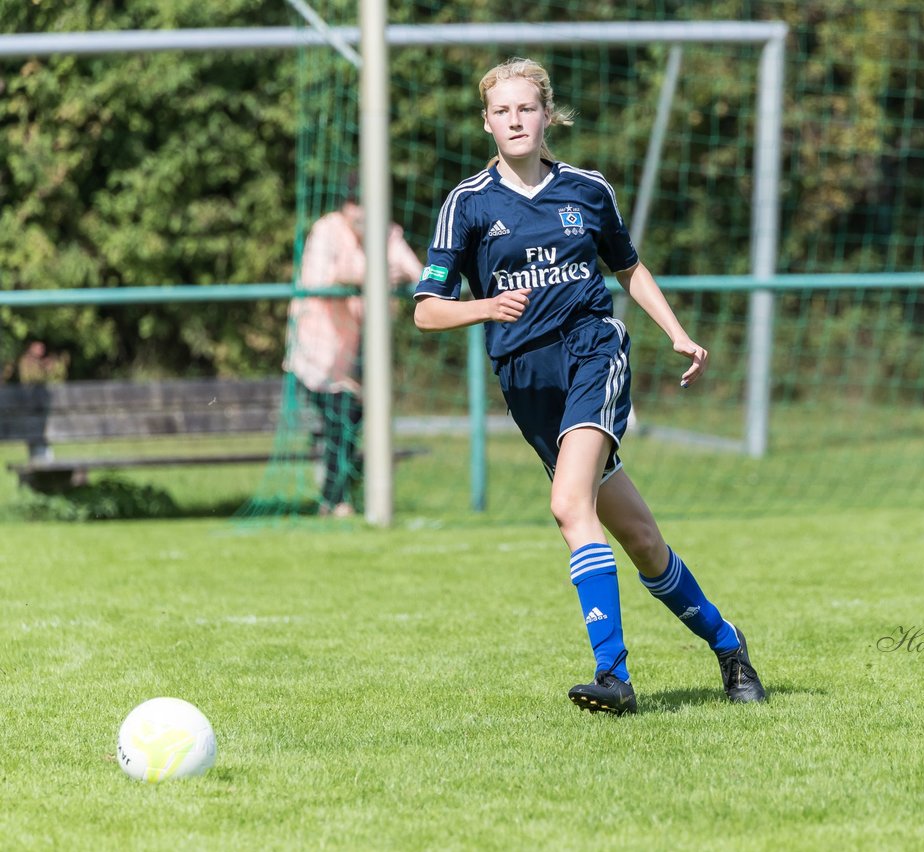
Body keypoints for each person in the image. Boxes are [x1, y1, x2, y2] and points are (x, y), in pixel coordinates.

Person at [412, 57, 766, 715]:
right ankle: (728, 646)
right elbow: (425, 310)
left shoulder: (586, 190)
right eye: (502, 111)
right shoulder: (467, 204)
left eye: (526, 108)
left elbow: (629, 269)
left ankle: (614, 677)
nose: (515, 120)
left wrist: (678, 333)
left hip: (592, 355)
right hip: (526, 382)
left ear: (547, 115)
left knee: (568, 504)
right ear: (487, 122)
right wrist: (483, 307)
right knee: (642, 541)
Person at [285, 171, 423, 518]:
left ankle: (336, 498)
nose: (362, 215)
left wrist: (396, 270)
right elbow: (317, 280)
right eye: (356, 206)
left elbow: (416, 271)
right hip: (317, 351)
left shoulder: (385, 232)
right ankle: (336, 499)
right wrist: (371, 273)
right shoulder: (326, 230)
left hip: (358, 350)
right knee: (340, 420)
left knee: (351, 420)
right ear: (347, 207)